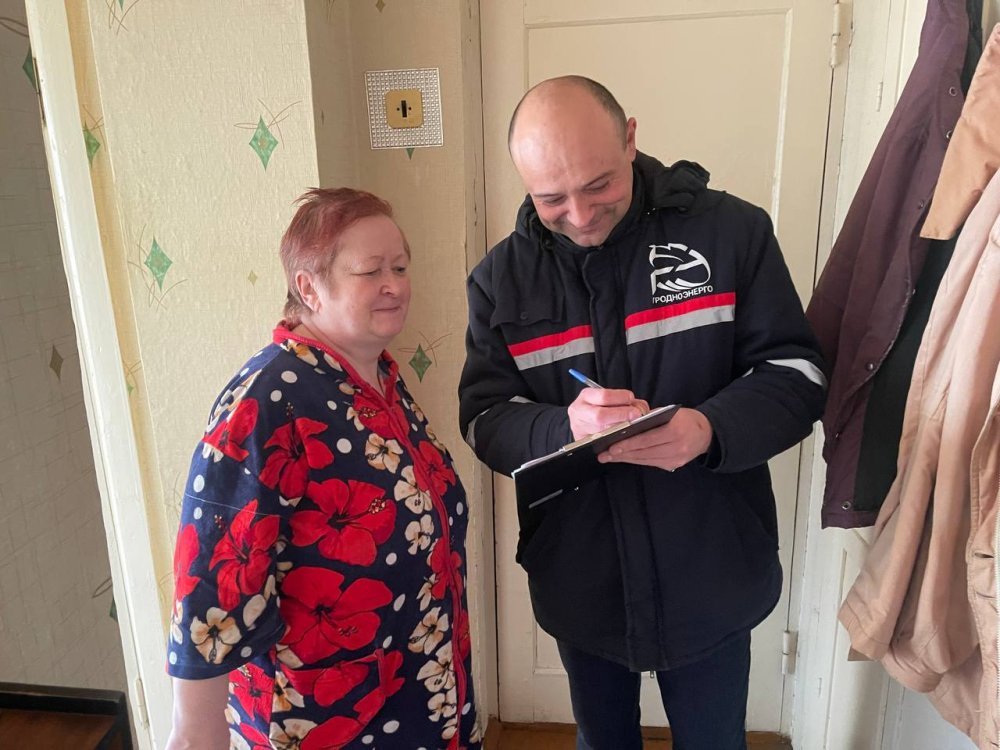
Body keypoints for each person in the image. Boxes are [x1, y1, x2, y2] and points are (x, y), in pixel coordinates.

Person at [458, 76, 827, 750]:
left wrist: (709, 430)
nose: (579, 215)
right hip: (581, 573)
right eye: (550, 199)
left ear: (630, 138)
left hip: (712, 563)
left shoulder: (732, 233)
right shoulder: (499, 281)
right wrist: (563, 427)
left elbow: (798, 375)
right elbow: (484, 418)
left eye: (598, 185)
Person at [165, 188, 481, 750]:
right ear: (308, 287)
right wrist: (196, 728)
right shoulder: (267, 400)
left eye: (400, 267)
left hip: (422, 690)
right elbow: (212, 570)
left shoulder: (377, 378)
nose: (394, 284)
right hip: (326, 718)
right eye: (371, 271)